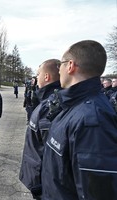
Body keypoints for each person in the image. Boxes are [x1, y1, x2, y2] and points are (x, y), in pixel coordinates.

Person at [41, 40, 117, 199]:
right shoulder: (73, 105)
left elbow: (97, 193)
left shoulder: (92, 120)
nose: (58, 71)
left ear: (70, 66)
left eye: (60, 65)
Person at [19, 59, 61, 200]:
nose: (36, 78)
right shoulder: (45, 100)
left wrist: (40, 184)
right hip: (40, 181)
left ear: (46, 77)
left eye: (38, 74)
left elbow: (50, 150)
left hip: (45, 185)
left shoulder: (53, 105)